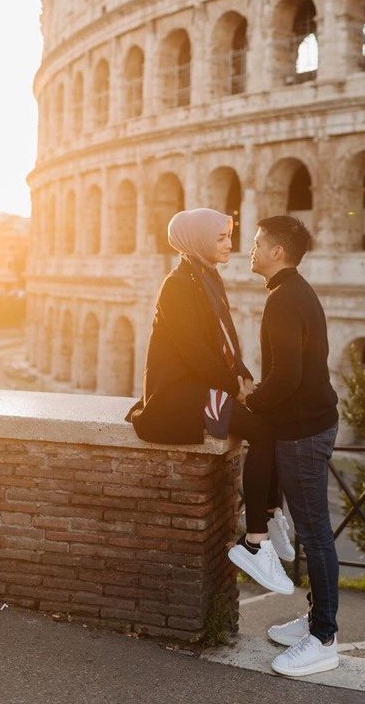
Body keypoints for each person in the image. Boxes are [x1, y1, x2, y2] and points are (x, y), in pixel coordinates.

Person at [126, 208, 294, 595]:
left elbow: (226, 342)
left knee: (271, 421)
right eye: (220, 238)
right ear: (198, 240)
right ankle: (256, 541)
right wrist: (235, 386)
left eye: (228, 236)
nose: (229, 244)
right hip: (180, 397)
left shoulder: (207, 277)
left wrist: (245, 377)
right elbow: (195, 353)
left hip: (204, 388)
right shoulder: (176, 285)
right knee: (263, 432)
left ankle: (270, 516)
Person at [238, 215, 340, 677]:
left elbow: (287, 377)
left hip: (303, 432)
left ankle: (324, 639)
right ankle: (317, 620)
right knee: (314, 533)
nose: (252, 250)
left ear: (277, 252)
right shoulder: (298, 290)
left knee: (315, 535)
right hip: (312, 424)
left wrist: (251, 400)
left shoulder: (282, 299)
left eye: (258, 242)